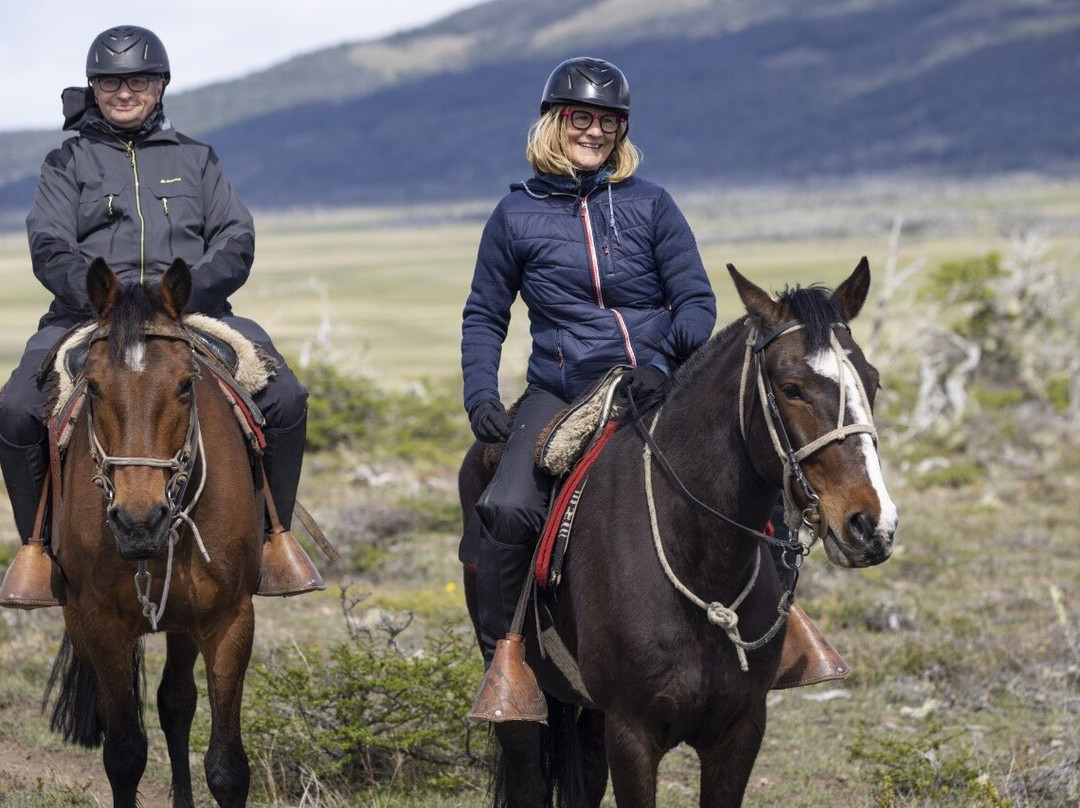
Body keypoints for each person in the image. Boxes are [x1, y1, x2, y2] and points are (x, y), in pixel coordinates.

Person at [0, 25, 321, 607]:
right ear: (93, 88)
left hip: (190, 312)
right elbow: (49, 244)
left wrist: (182, 296)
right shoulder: (66, 161)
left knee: (286, 397)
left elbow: (236, 237)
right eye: (110, 83)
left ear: (161, 85)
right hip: (90, 314)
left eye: (138, 81)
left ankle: (272, 538)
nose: (125, 92)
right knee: (17, 407)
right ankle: (38, 549)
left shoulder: (197, 158)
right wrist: (105, 300)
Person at [460, 56, 717, 699]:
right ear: (554, 121)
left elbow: (696, 301)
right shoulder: (514, 215)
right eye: (582, 117)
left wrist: (663, 363)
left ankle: (783, 627)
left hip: (656, 383)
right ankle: (508, 661)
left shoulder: (652, 203)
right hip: (563, 389)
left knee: (745, 472)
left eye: (610, 121)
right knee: (507, 506)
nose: (595, 131)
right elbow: (485, 315)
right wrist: (480, 394)